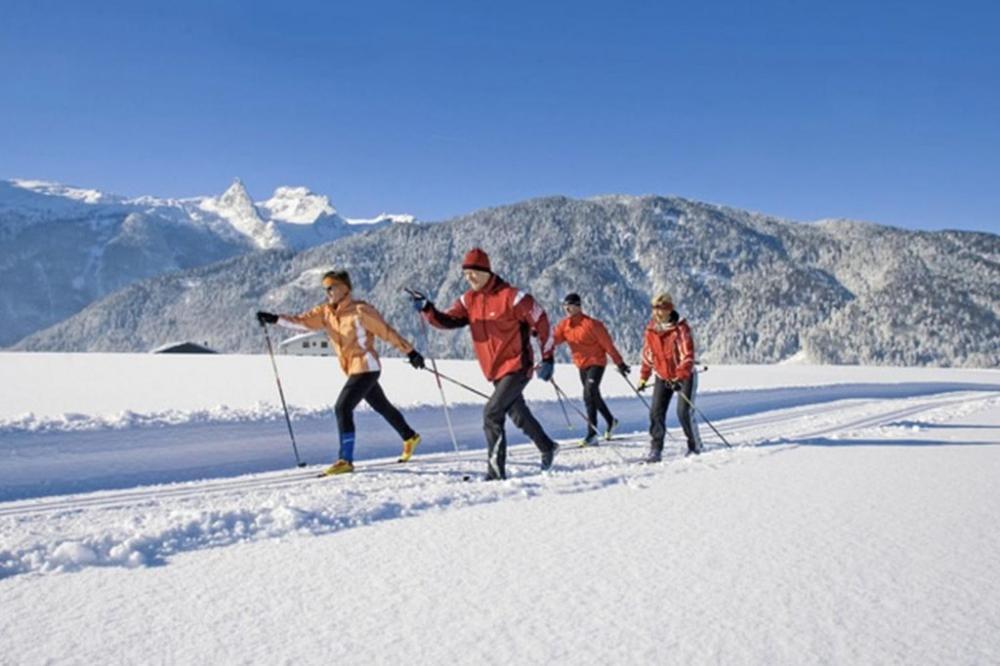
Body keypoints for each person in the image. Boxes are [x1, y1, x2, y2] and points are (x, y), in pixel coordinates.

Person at [256, 270, 425, 475]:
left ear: (344, 288)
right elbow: (302, 322)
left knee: (342, 408)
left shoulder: (361, 311)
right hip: (352, 368)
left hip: (366, 367)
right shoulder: (326, 313)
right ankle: (410, 436)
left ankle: (345, 459)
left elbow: (386, 332)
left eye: (331, 287)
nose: (327, 291)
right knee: (382, 406)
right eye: (325, 288)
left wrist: (411, 352)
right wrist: (274, 319)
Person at [411, 247, 559, 480]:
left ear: (487, 271)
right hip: (493, 369)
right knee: (517, 413)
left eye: (473, 273)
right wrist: (428, 309)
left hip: (517, 365)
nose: (469, 278)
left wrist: (548, 357)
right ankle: (547, 446)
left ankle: (496, 471)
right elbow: (448, 320)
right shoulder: (468, 300)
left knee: (492, 413)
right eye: (465, 273)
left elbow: (542, 322)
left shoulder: (513, 297)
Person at [552, 293, 630, 446]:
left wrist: (619, 363)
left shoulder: (592, 325)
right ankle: (610, 420)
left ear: (578, 306)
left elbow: (608, 345)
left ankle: (591, 434)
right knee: (593, 395)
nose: (567, 309)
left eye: (571, 305)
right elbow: (553, 339)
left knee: (588, 394)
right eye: (565, 306)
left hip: (596, 362)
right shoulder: (565, 325)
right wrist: (538, 335)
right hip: (581, 365)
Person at [637, 292, 702, 462]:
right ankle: (656, 449)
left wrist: (679, 377)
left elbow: (687, 356)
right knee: (656, 412)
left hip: (685, 375)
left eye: (661, 309)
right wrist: (644, 377)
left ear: (669, 309)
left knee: (683, 412)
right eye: (655, 308)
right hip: (663, 376)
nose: (657, 312)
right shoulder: (651, 330)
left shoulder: (681, 329)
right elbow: (648, 355)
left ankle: (694, 446)